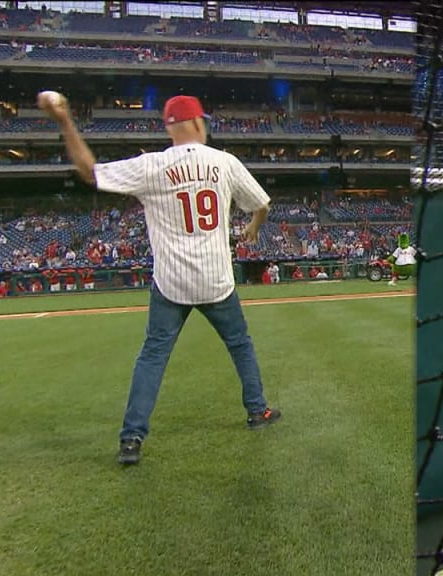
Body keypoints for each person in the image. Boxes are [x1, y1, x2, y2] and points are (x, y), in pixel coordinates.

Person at [38, 91, 282, 466]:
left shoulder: (151, 165)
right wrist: (251, 226)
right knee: (241, 346)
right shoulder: (225, 162)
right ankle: (257, 411)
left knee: (152, 357)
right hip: (217, 278)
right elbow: (262, 205)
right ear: (200, 123)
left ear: (169, 127)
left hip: (171, 281)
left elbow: (91, 172)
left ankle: (131, 439)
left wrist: (65, 121)